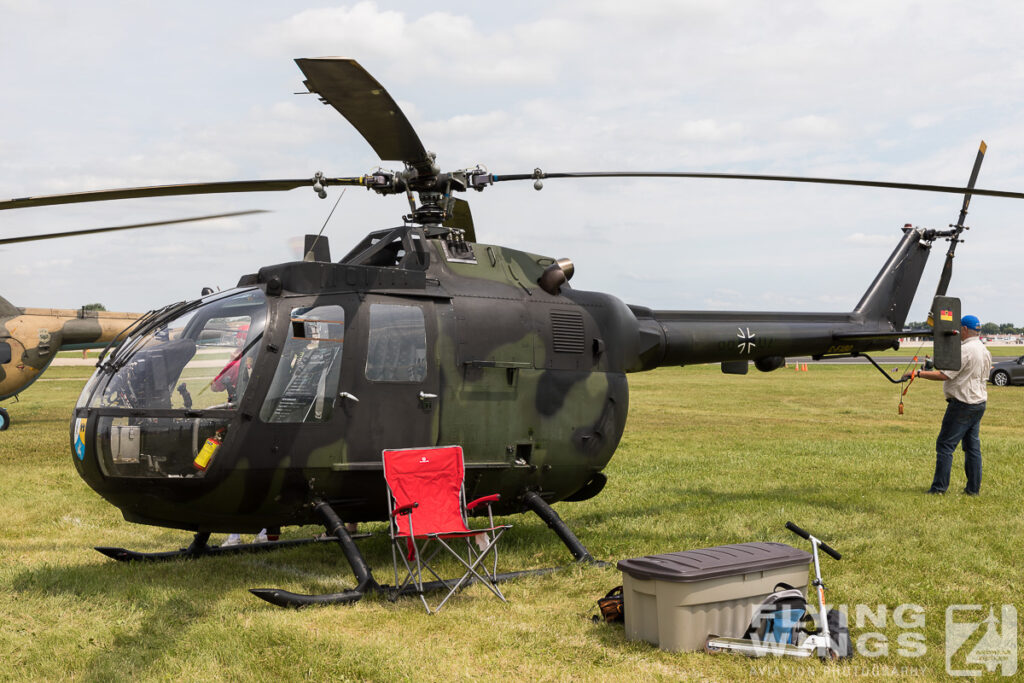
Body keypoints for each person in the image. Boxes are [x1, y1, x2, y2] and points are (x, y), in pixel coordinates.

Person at [903, 314, 992, 495]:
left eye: (960, 329)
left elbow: (944, 375)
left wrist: (918, 374)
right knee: (972, 448)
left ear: (965, 330)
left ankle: (938, 489)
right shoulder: (984, 350)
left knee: (945, 446)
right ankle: (973, 489)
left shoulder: (965, 350)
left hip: (962, 403)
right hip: (979, 402)